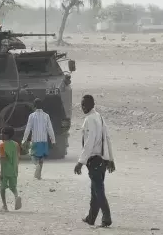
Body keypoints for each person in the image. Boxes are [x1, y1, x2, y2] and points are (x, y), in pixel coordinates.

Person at [74, 94, 115, 228]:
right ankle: (91, 218)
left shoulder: (90, 119)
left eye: (85, 104)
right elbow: (107, 138)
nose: (83, 107)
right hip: (102, 160)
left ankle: (107, 217)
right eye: (82, 105)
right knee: (95, 191)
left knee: (98, 190)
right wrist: (110, 159)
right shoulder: (100, 118)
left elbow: (89, 142)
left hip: (95, 160)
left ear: (92, 104)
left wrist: (81, 162)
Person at [22, 98, 56, 180]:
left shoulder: (32, 116)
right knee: (41, 157)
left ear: (34, 106)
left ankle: (36, 165)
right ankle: (39, 175)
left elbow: (28, 129)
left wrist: (24, 140)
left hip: (35, 140)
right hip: (44, 140)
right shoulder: (46, 116)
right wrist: (53, 140)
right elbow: (50, 129)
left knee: (33, 155)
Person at [0, 126, 22, 211]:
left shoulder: (2, 146)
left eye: (2, 133)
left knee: (2, 188)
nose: (1, 135)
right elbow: (18, 156)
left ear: (6, 135)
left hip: (5, 171)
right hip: (14, 169)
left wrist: (1, 173)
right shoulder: (16, 144)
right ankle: (17, 196)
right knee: (13, 187)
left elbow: (3, 160)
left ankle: (5, 206)